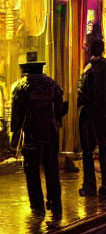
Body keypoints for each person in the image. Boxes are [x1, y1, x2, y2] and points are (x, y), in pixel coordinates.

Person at [10, 52, 67, 217]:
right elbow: (60, 109)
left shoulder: (21, 87)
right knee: (52, 169)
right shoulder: (52, 85)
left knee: (32, 171)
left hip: (31, 134)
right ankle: (55, 202)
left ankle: (37, 206)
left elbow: (17, 115)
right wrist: (57, 123)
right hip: (50, 133)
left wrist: (14, 135)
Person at [78, 38, 106, 197]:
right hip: (105, 115)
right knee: (104, 148)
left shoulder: (89, 69)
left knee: (87, 151)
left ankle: (89, 186)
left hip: (90, 115)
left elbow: (82, 94)